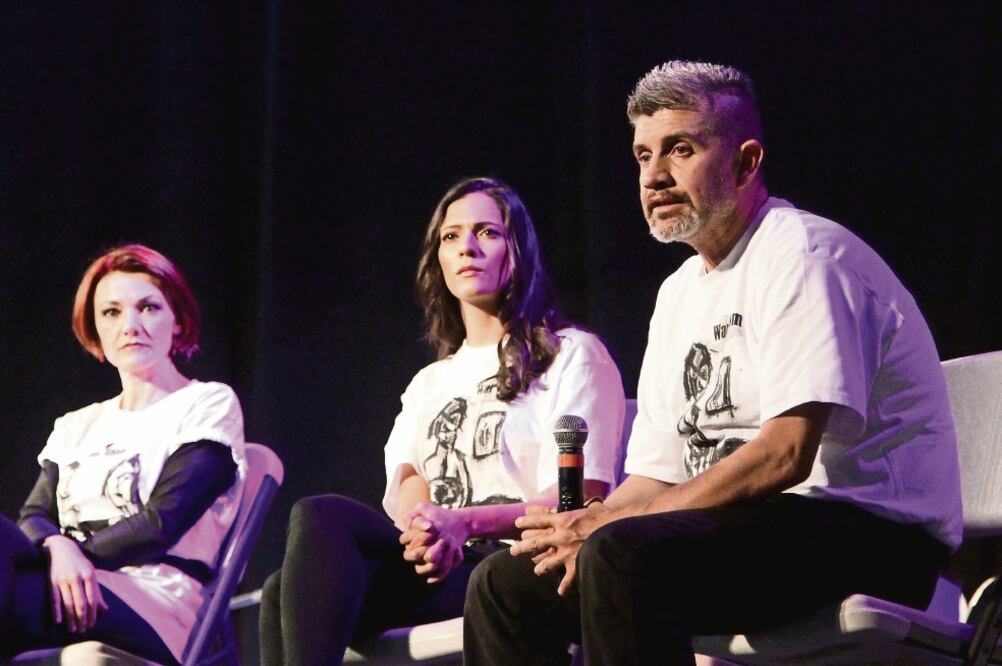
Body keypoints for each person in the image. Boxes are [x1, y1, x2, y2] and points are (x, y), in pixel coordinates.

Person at [463, 61, 962, 665]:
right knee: (505, 585)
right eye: (643, 155)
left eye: (681, 149)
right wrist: (581, 524)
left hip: (871, 536)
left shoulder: (805, 258)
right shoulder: (678, 292)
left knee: (620, 554)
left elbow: (785, 453)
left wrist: (611, 527)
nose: (655, 176)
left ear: (745, 163)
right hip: (749, 527)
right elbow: (655, 476)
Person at [258, 177, 625, 665]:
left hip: (517, 567)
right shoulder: (430, 382)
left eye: (487, 232)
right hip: (443, 568)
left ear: (519, 250)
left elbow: (576, 498)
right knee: (295, 561)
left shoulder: (573, 355)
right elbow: (411, 481)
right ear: (439, 260)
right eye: (451, 236)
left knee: (296, 574)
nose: (467, 247)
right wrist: (428, 530)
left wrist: (464, 522)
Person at [0, 245, 245, 664]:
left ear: (178, 320)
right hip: (68, 577)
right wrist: (59, 549)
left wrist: (75, 555)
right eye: (111, 312)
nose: (130, 326)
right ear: (94, 329)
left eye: (148, 307)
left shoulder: (206, 403)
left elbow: (161, 522)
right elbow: (34, 515)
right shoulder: (76, 424)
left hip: (156, 599)